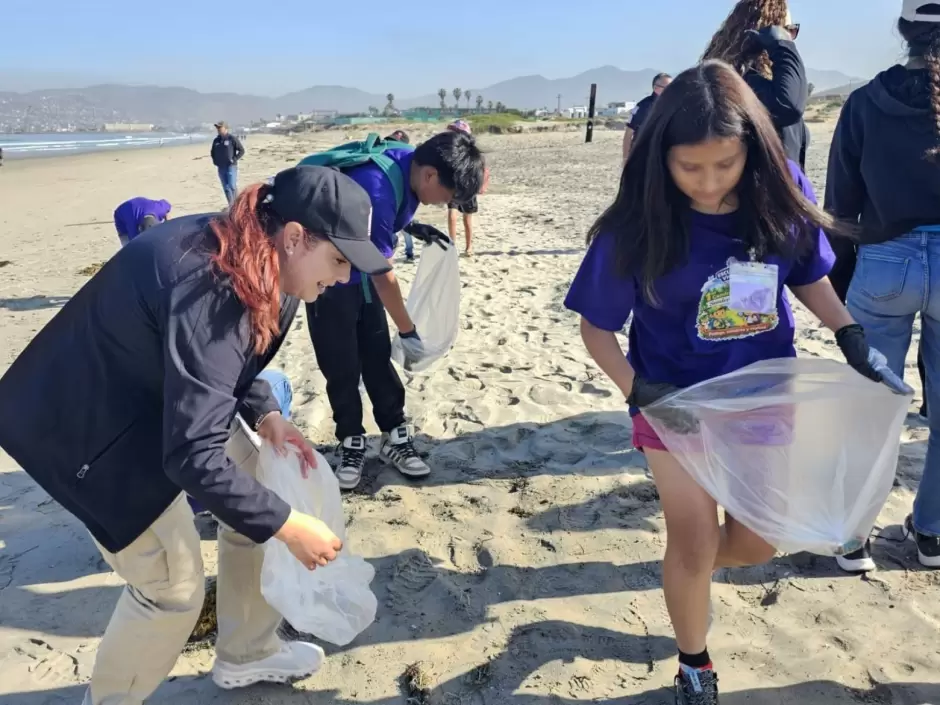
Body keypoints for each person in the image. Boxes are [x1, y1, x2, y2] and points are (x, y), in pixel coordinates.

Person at [564, 61, 899, 705]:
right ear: (661, 158)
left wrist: (849, 333)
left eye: (725, 164)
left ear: (753, 149)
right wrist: (640, 392)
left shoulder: (780, 188)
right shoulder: (637, 222)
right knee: (692, 541)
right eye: (690, 168)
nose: (710, 182)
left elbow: (807, 274)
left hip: (761, 396)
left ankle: (685, 573)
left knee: (755, 543)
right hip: (673, 403)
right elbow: (596, 330)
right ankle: (695, 664)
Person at [0, 165, 392, 704]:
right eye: (340, 260)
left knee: (259, 481)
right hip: (83, 430)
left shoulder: (263, 254)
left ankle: (247, 652)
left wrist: (266, 415)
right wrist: (289, 525)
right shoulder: (214, 286)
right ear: (296, 237)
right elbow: (192, 455)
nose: (344, 279)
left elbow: (223, 365)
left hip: (154, 396)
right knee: (172, 588)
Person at [825, 0, 940, 571]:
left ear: (903, 31)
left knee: (870, 407)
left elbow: (840, 204)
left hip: (883, 262)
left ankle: (853, 539)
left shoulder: (865, 100)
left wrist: (839, 283)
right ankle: (933, 535)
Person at [305, 129, 486, 490]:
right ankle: (351, 440)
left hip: (362, 282)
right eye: (447, 197)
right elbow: (383, 274)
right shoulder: (376, 187)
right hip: (326, 283)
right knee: (340, 365)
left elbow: (382, 226)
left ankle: (394, 435)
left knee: (377, 357)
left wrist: (414, 226)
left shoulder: (411, 161)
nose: (443, 205)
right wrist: (407, 329)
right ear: (430, 175)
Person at [702, 0, 809, 168]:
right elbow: (788, 105)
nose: (789, 38)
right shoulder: (740, 84)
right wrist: (783, 47)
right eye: (787, 30)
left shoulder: (765, 83)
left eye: (792, 31)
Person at [444, 119, 489, 256]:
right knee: (453, 215)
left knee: (466, 218)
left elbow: (483, 169)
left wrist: (482, 185)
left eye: (456, 132)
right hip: (455, 187)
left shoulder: (471, 151)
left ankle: (468, 246)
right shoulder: (452, 150)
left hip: (468, 187)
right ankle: (454, 246)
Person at [622, 72, 673, 161]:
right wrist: (625, 158)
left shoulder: (674, 106)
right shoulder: (643, 106)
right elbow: (629, 133)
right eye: (667, 87)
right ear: (656, 88)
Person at [211, 120, 245, 206]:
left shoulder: (232, 138)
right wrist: (215, 161)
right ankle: (231, 205)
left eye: (220, 127)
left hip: (231, 166)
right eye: (217, 127)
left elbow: (241, 150)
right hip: (221, 167)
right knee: (226, 188)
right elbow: (212, 152)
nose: (218, 129)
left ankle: (237, 205)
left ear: (226, 128)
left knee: (232, 186)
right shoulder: (216, 140)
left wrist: (234, 159)